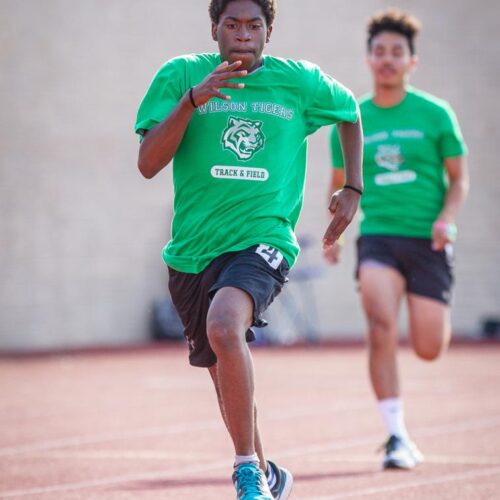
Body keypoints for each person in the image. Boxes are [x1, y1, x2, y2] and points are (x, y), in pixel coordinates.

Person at [135, 0, 363, 498]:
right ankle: (267, 472)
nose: (243, 34)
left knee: (224, 324)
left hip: (264, 239)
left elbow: (350, 111)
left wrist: (353, 188)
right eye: (232, 24)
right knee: (222, 370)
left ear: (269, 31)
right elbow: (148, 163)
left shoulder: (299, 82)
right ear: (214, 28)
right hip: (192, 252)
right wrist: (193, 101)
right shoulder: (181, 75)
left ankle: (243, 471)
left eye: (254, 25)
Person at [324, 8, 469, 470]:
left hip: (428, 240)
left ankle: (423, 317)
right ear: (368, 59)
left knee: (429, 347)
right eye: (379, 52)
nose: (387, 59)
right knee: (380, 324)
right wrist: (336, 236)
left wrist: (447, 218)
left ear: (412, 61)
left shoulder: (435, 114)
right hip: (379, 238)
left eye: (396, 52)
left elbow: (460, 179)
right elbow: (339, 185)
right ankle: (396, 435)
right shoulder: (353, 119)